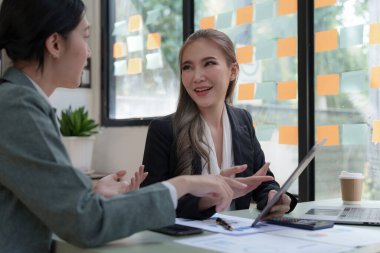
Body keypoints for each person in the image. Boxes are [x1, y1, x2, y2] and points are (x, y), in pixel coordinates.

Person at [0, 1, 248, 252]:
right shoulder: (17, 108)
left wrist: (92, 191)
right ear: (55, 44)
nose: (88, 52)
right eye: (85, 37)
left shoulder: (20, 103)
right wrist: (183, 184)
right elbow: (86, 224)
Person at [142, 29, 297, 219]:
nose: (197, 76)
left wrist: (274, 197)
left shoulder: (243, 120)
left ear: (233, 71)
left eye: (209, 63)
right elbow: (149, 202)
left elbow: (261, 181)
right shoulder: (164, 129)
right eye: (187, 67)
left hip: (237, 238)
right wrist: (208, 199)